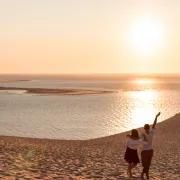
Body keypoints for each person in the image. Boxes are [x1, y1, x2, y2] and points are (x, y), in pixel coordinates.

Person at [141, 112, 161, 180]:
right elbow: (138, 139)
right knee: (145, 164)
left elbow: (154, 124)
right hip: (144, 151)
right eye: (146, 129)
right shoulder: (143, 135)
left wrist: (156, 117)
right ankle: (145, 174)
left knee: (148, 164)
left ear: (149, 128)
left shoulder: (151, 132)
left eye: (147, 129)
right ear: (144, 129)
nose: (147, 130)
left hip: (150, 150)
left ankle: (145, 174)